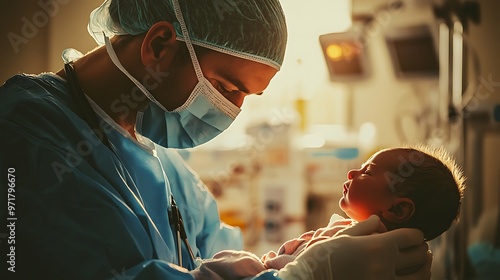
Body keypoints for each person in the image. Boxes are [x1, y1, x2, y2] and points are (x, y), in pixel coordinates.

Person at [0, 0, 432, 279]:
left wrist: (294, 258)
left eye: (248, 95)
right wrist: (308, 277)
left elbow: (220, 259)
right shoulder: (27, 136)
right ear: (159, 45)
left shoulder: (156, 159)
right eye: (228, 88)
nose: (235, 110)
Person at [259, 145, 466, 270]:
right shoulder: (354, 238)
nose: (352, 173)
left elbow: (291, 268)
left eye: (367, 172)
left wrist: (267, 265)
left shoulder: (362, 247)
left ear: (397, 210)